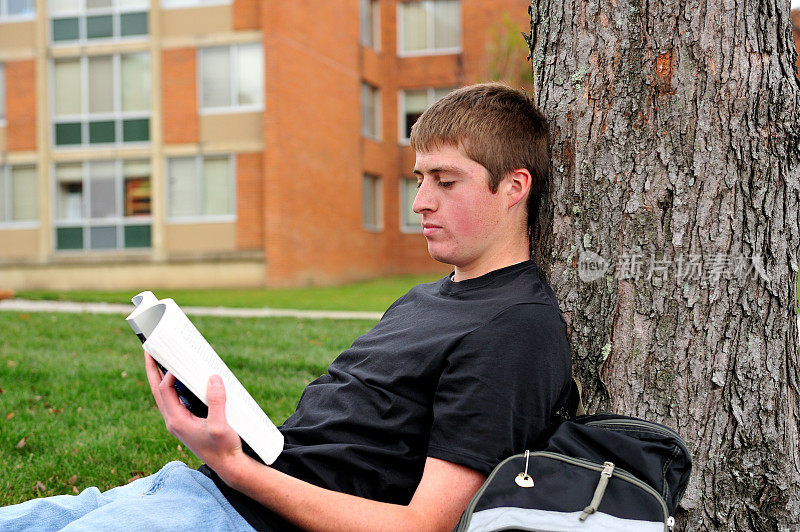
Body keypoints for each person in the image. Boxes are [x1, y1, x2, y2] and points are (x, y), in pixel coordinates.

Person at [0, 83, 572, 531]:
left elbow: (421, 525)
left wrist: (235, 467)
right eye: (420, 179)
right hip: (198, 490)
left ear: (514, 186)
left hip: (243, 516)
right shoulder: (426, 297)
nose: (420, 202)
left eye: (446, 182)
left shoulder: (516, 328)